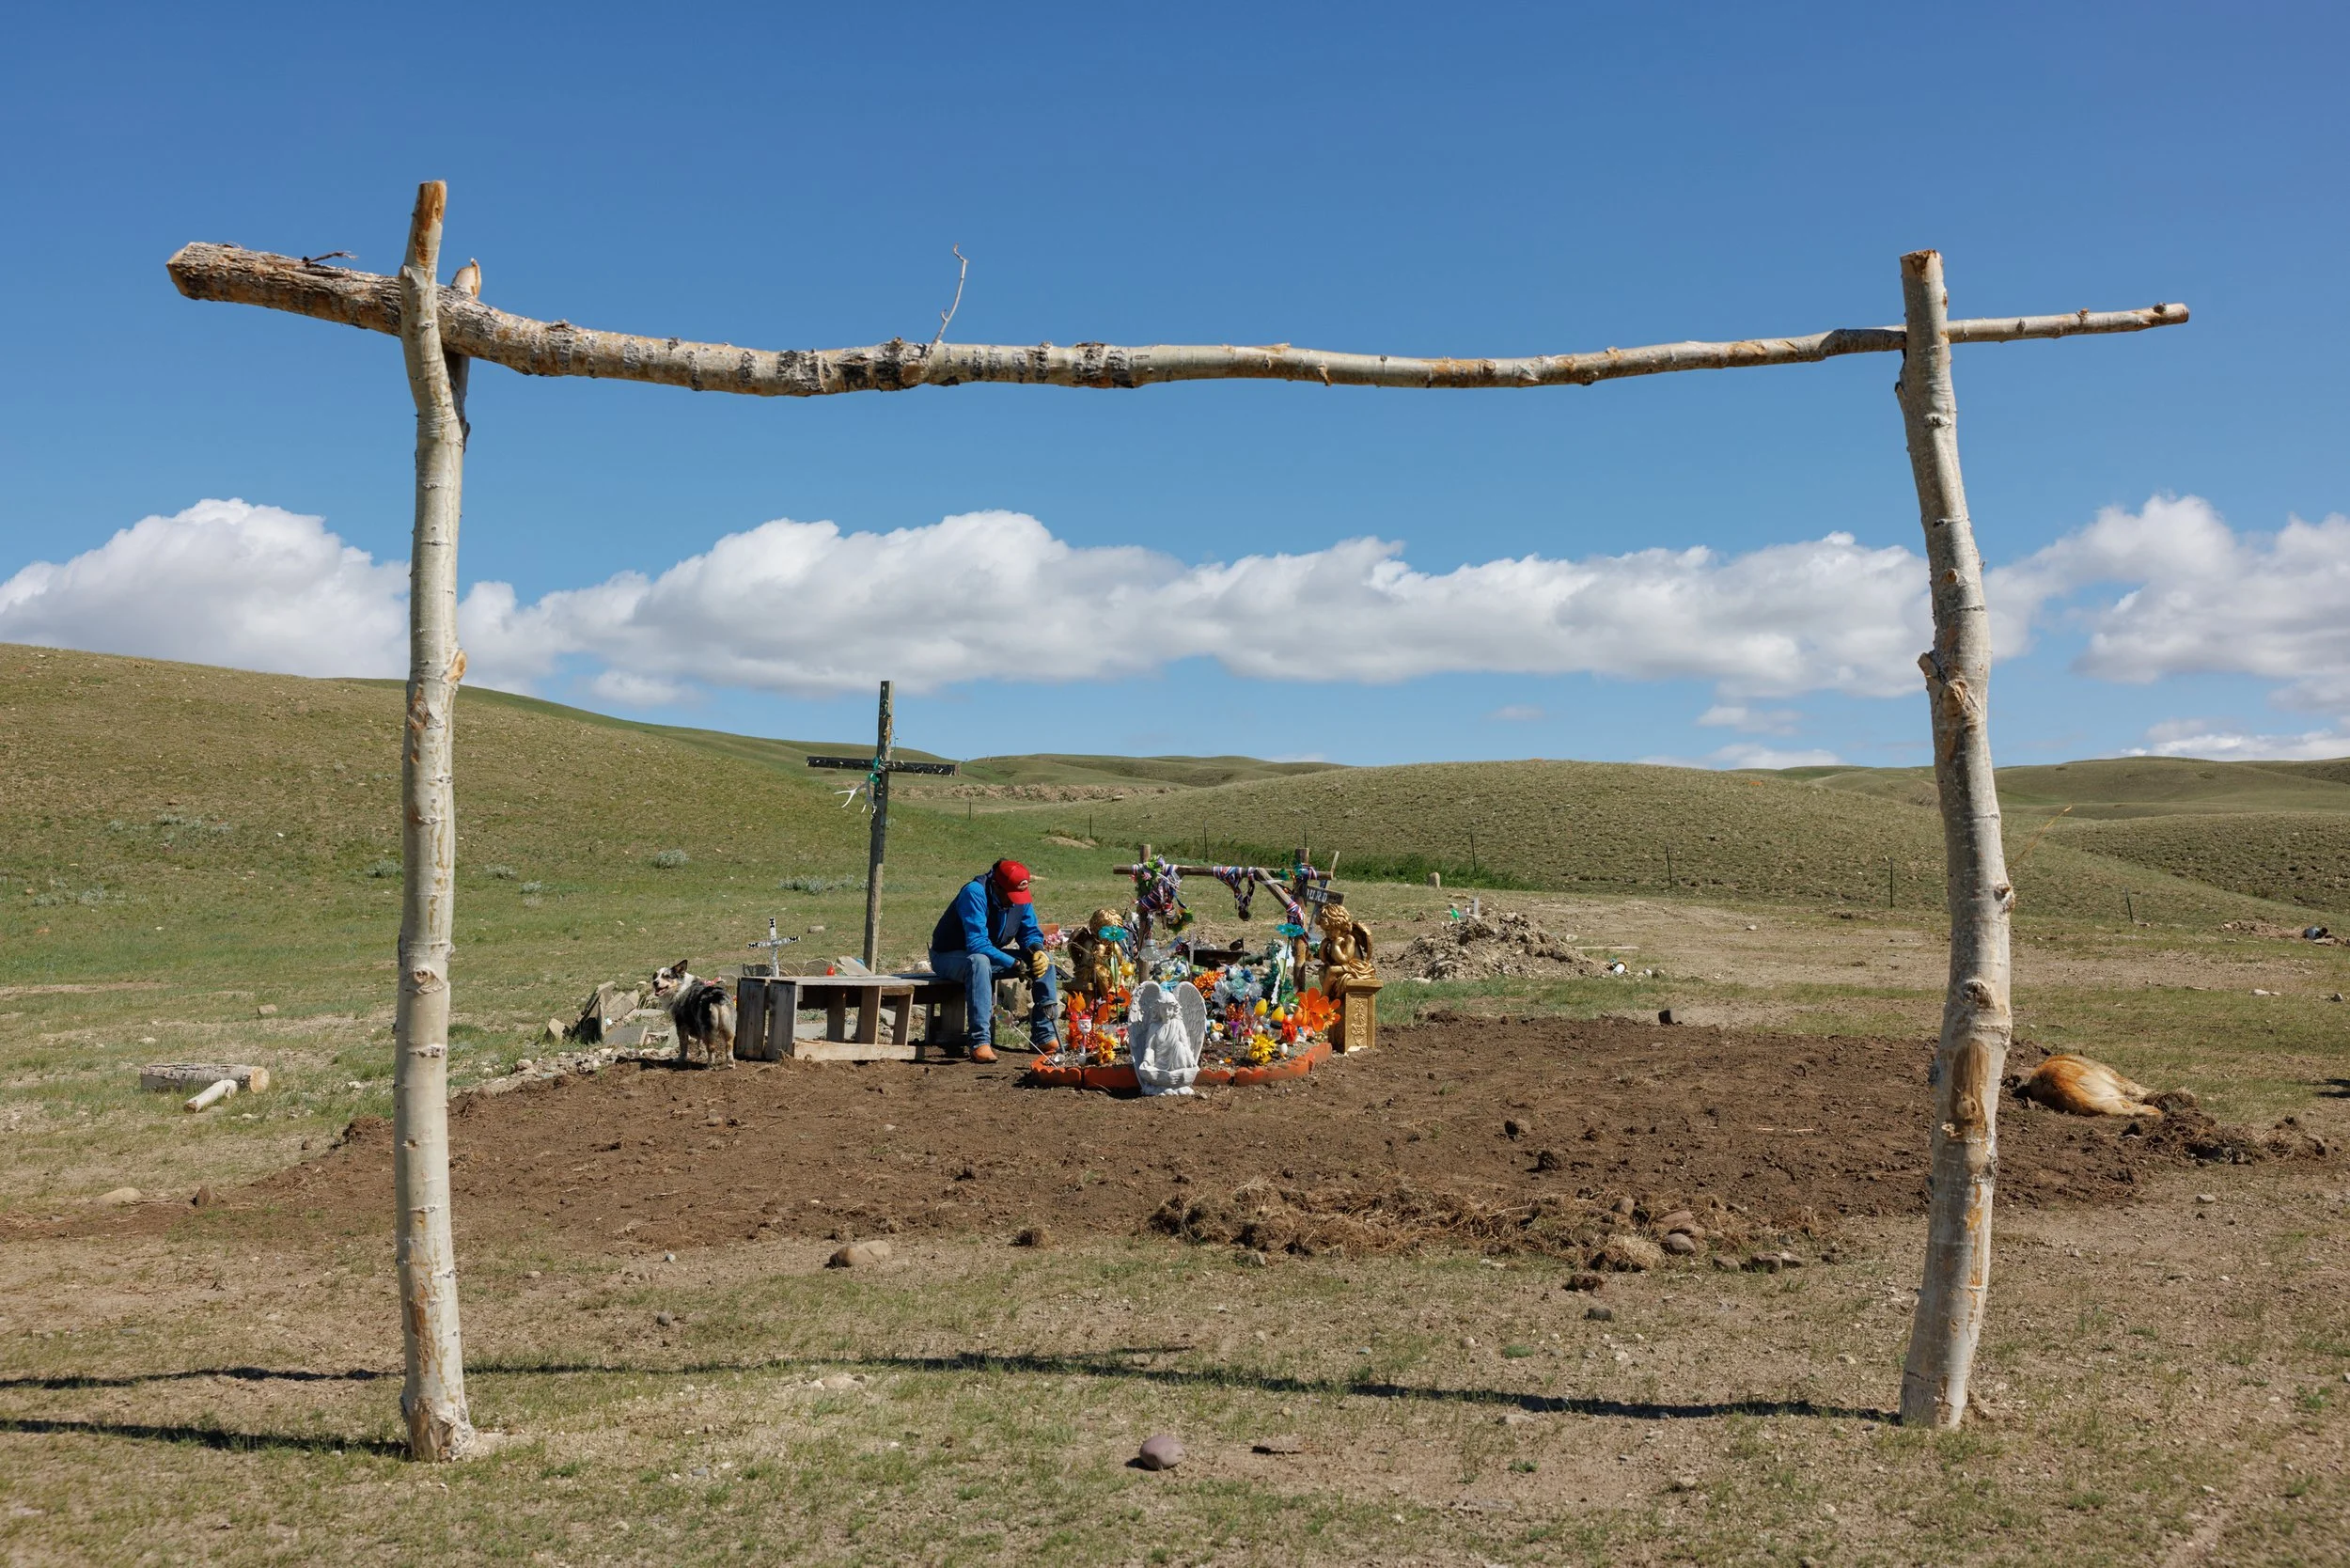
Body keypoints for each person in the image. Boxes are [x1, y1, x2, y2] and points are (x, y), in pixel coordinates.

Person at [928, 859, 1058, 1062]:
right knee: (979, 962)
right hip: (948, 956)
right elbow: (977, 944)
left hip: (987, 956)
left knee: (1045, 961)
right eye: (1011, 896)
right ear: (996, 886)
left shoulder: (1019, 895)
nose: (1015, 902)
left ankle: (1044, 1036)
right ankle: (980, 1042)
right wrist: (1014, 964)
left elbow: (1029, 932)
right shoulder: (974, 893)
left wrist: (1037, 950)